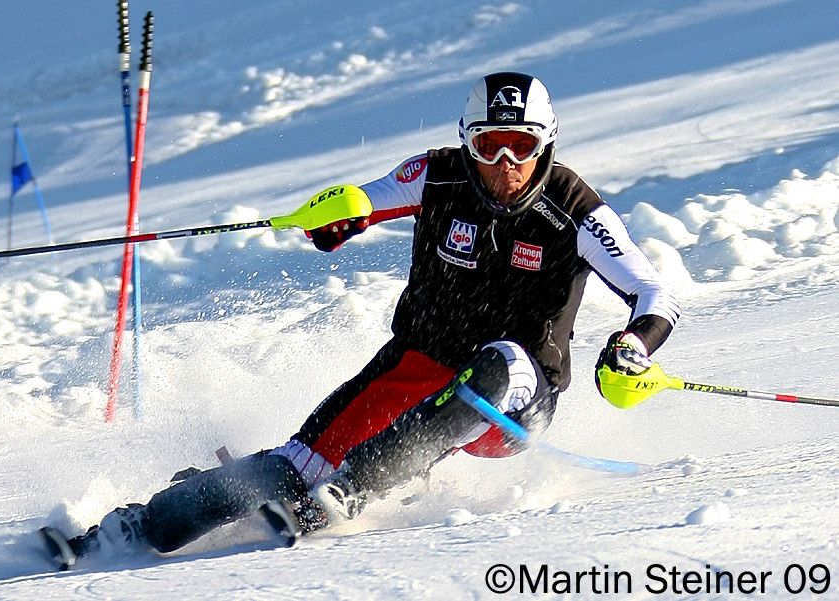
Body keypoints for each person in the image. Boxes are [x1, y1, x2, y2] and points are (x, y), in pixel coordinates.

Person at [48, 71, 680, 566]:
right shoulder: (436, 175)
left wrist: (632, 346)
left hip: (513, 402)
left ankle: (354, 491)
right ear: (469, 142)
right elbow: (364, 201)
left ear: (546, 145)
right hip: (421, 365)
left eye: (523, 146)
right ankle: (136, 527)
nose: (506, 162)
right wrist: (333, 217)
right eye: (491, 144)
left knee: (500, 362)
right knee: (290, 467)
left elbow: (654, 294)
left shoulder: (576, 210)